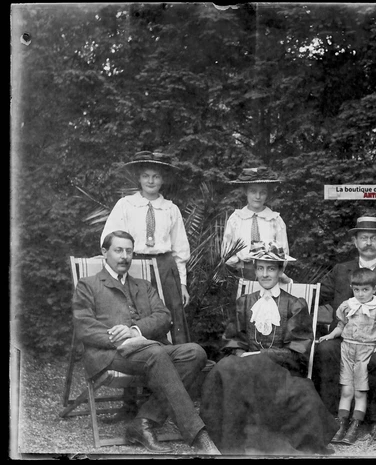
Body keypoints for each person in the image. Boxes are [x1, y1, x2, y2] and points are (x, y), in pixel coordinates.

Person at [72, 230, 219, 455]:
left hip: (149, 350)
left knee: (195, 352)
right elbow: (84, 326)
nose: (124, 256)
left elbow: (164, 316)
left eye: (129, 251)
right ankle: (198, 435)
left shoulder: (143, 285)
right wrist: (120, 340)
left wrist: (135, 331)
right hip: (110, 354)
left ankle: (143, 421)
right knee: (156, 354)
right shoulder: (89, 284)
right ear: (104, 252)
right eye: (118, 250)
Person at [199, 241, 338, 455]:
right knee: (225, 367)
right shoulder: (244, 302)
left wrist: (260, 356)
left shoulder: (295, 304)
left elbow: (298, 352)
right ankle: (228, 439)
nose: (265, 274)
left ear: (280, 271)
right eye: (261, 268)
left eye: (271, 269)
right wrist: (243, 357)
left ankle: (262, 442)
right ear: (255, 270)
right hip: (244, 370)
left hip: (280, 372)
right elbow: (233, 340)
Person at [313, 216, 376, 437]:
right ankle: (332, 417)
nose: (368, 243)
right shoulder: (341, 270)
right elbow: (316, 296)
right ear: (355, 241)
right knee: (325, 349)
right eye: (363, 238)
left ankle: (374, 419)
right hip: (346, 339)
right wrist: (288, 284)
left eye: (374, 238)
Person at [101, 150, 191, 345]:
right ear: (139, 178)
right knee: (138, 311)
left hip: (165, 269)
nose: (150, 181)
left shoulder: (171, 209)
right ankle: (141, 355)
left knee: (169, 313)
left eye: (156, 176)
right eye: (146, 176)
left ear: (163, 179)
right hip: (134, 266)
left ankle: (175, 356)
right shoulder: (125, 205)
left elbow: (180, 250)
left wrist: (182, 284)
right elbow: (110, 239)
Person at [318, 268, 376, 445]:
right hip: (347, 349)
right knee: (347, 390)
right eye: (356, 290)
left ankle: (356, 424)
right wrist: (331, 335)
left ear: (374, 289)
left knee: (360, 392)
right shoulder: (348, 305)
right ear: (352, 288)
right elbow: (341, 325)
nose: (360, 294)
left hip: (365, 351)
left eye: (365, 290)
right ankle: (341, 424)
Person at [222, 167, 289, 281]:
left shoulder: (275, 220)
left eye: (262, 192)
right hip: (241, 274)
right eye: (253, 191)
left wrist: (272, 269)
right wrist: (238, 264)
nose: (258, 197)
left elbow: (284, 252)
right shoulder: (236, 219)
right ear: (246, 192)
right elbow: (226, 251)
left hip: (268, 276)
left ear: (267, 194)